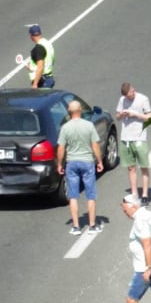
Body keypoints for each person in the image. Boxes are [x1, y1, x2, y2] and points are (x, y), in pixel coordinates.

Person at [56, 100, 104, 235]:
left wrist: (60, 164)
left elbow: (61, 148)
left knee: (73, 195)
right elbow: (95, 145)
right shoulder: (89, 126)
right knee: (90, 195)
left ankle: (76, 226)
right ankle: (92, 225)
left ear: (69, 112)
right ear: (80, 111)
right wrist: (99, 161)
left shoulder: (65, 128)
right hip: (87, 162)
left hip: (72, 162)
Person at [116, 83, 151, 205]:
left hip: (139, 137)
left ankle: (145, 194)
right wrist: (121, 114)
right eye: (127, 96)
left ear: (133, 91)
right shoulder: (122, 100)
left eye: (130, 95)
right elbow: (117, 116)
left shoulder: (143, 99)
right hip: (126, 138)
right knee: (131, 167)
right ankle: (134, 193)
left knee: (143, 166)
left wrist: (135, 114)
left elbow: (149, 117)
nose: (129, 98)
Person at [24, 24, 55, 88]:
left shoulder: (39, 48)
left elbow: (40, 67)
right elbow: (50, 59)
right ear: (40, 33)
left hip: (42, 81)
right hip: (49, 78)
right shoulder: (47, 43)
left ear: (31, 36)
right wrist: (31, 67)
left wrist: (35, 84)